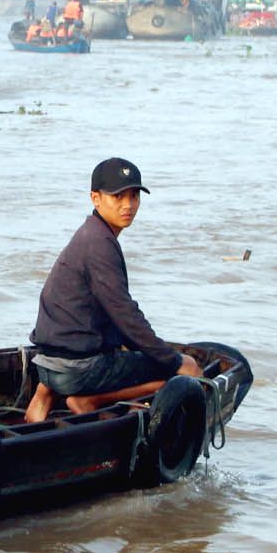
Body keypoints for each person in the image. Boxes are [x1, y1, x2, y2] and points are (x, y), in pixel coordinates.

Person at [24, 159, 204, 423]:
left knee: (130, 348)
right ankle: (89, 400)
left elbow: (105, 310)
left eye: (134, 196)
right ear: (95, 198)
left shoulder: (89, 234)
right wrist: (173, 360)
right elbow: (124, 313)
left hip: (48, 362)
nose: (128, 205)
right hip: (76, 368)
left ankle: (44, 397)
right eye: (118, 196)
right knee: (187, 370)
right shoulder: (100, 244)